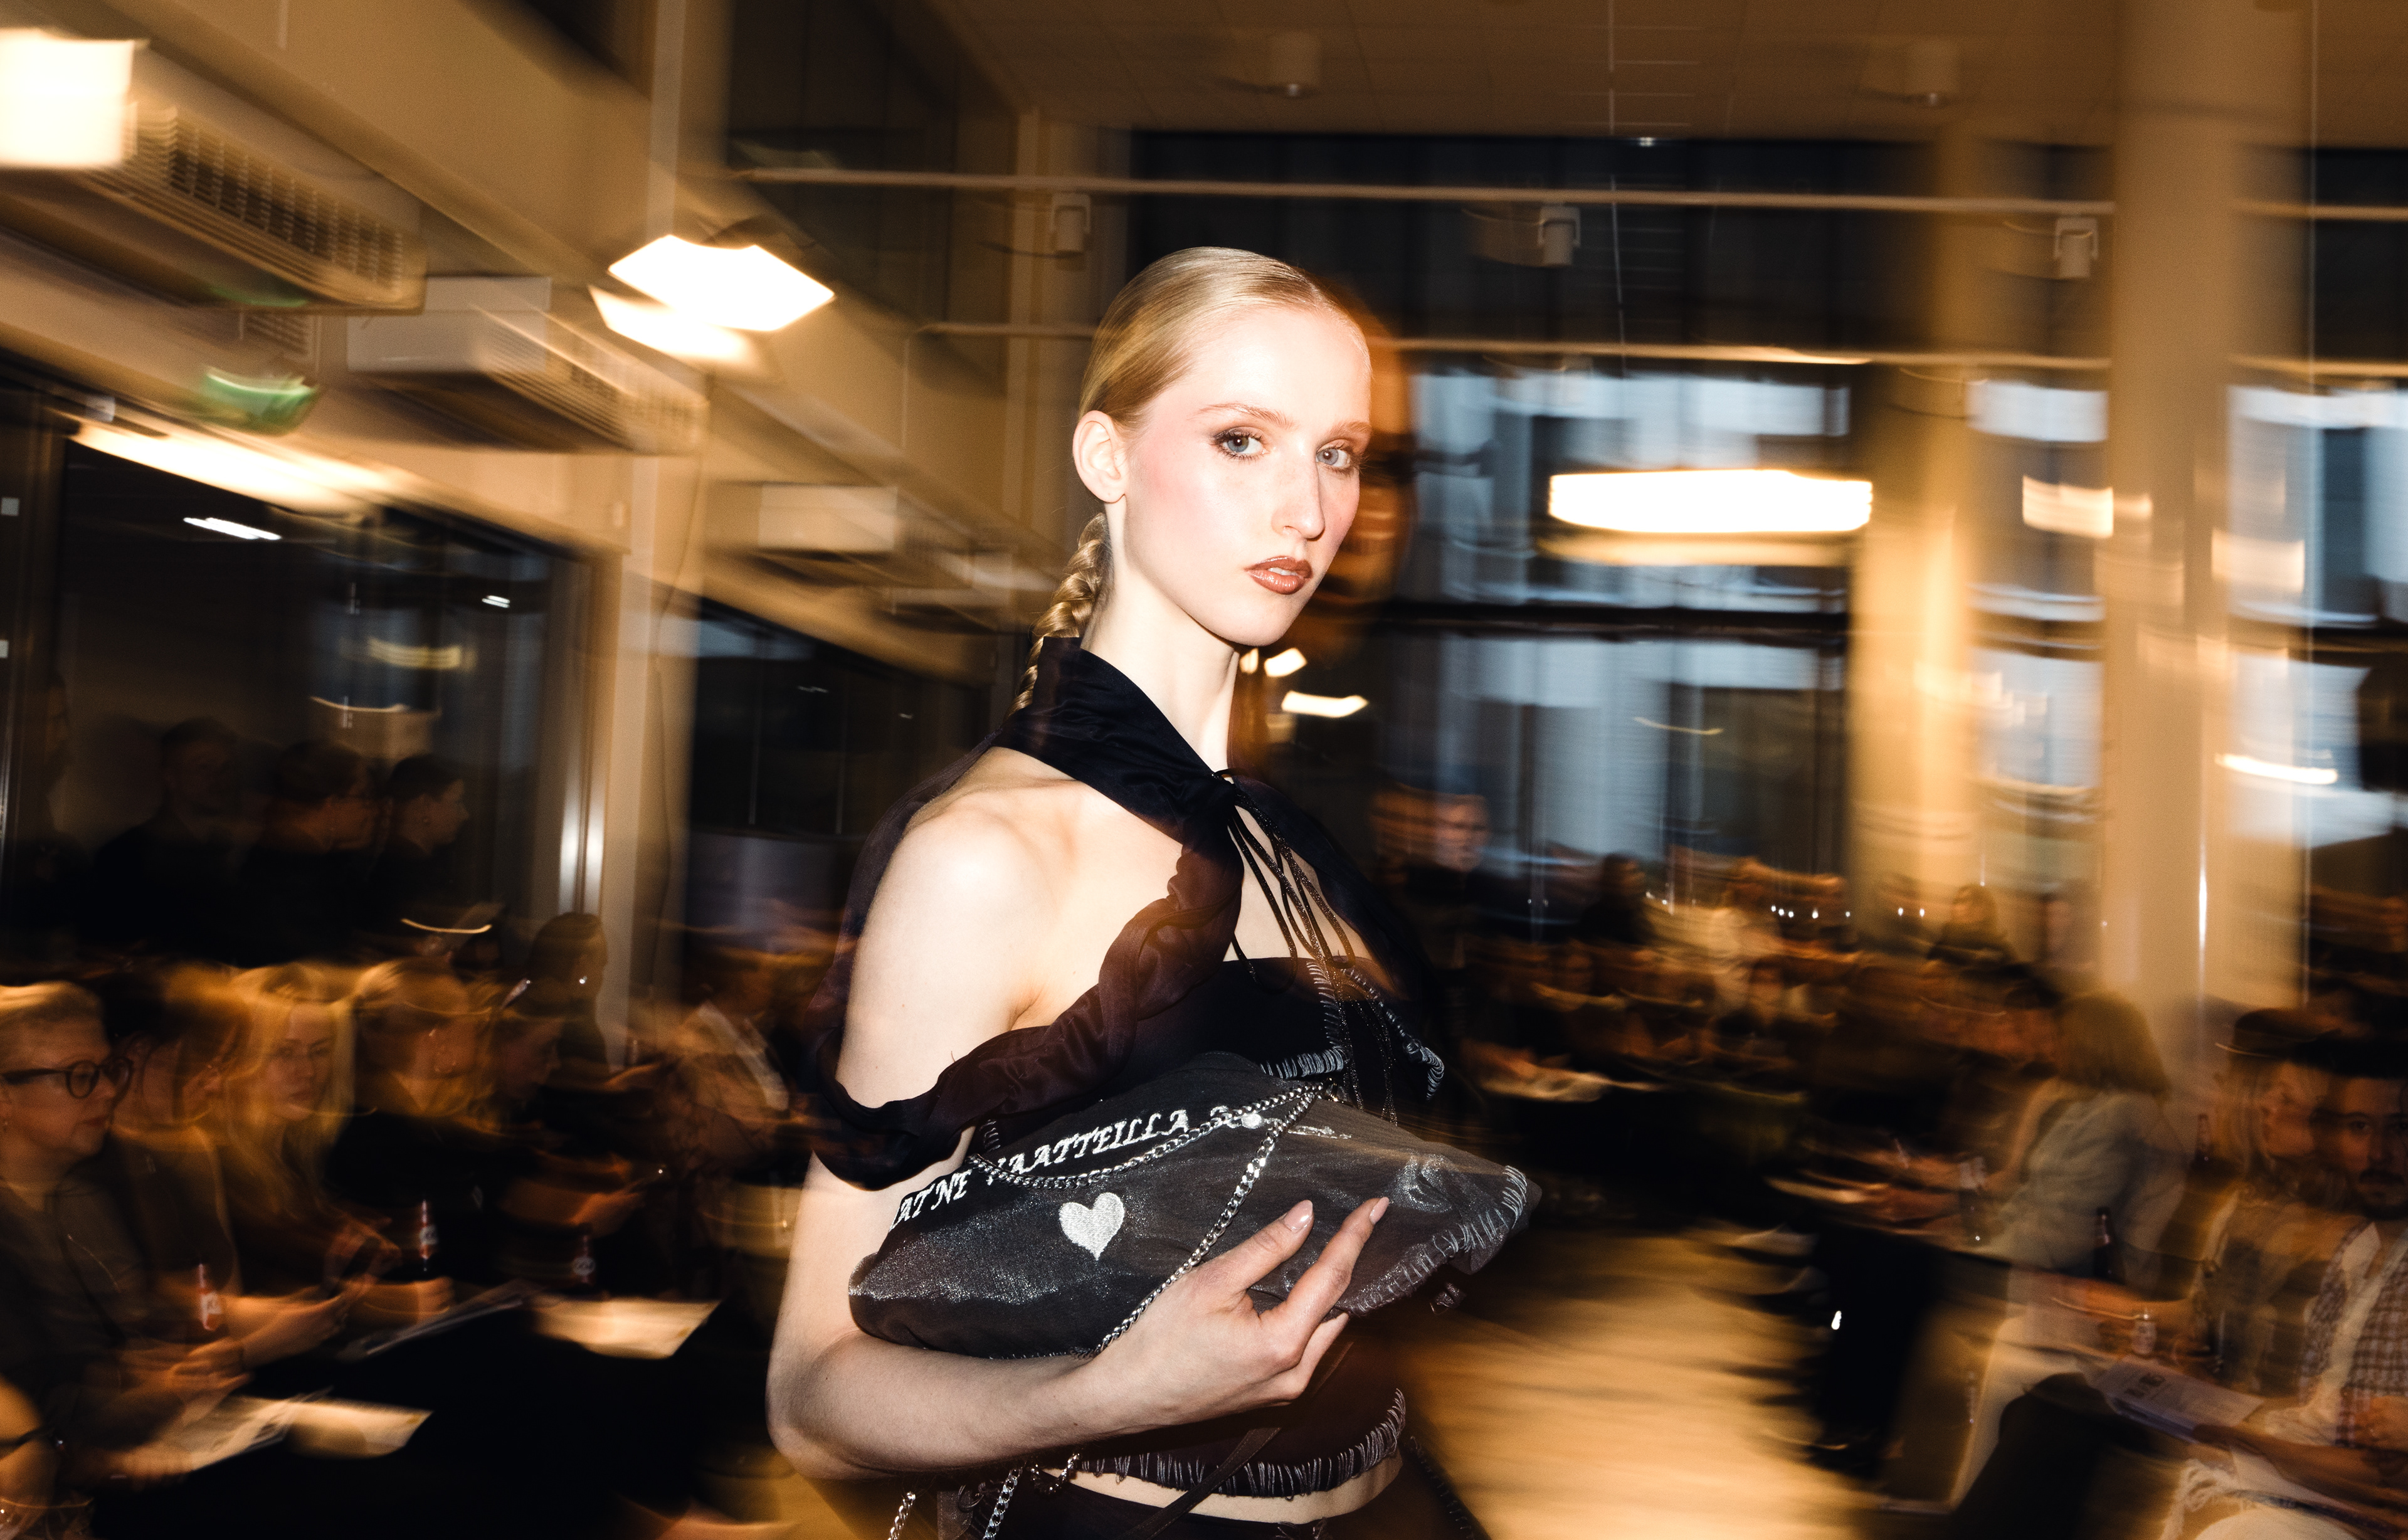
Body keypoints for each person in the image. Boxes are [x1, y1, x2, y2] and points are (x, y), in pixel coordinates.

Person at [768, 248, 1462, 1537]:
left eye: (1339, 454)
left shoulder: (1286, 849)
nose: (1309, 510)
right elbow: (811, 1395)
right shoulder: (989, 856)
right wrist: (1111, 1390)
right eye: (1243, 440)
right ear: (1107, 455)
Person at [83, 718, 241, 956]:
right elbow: (103, 951)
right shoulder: (125, 857)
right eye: (204, 767)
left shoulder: (224, 852)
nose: (221, 779)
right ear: (170, 777)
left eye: (227, 767)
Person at [221, 741, 377, 966]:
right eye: (363, 796)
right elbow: (314, 962)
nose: (372, 809)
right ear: (331, 803)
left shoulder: (284, 861)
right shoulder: (297, 877)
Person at [357, 754, 470, 946]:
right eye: (457, 802)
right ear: (424, 805)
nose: (465, 814)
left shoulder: (415, 868)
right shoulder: (400, 878)